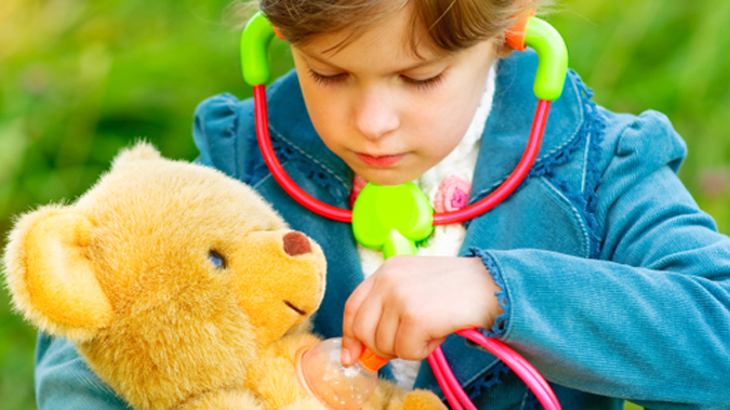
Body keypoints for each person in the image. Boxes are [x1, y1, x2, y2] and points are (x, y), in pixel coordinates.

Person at [34, 0, 730, 409]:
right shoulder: (239, 160)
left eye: (420, 77)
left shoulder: (597, 167)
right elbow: (90, 345)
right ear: (279, 39)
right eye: (328, 73)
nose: (370, 121)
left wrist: (496, 289)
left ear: (511, 26)